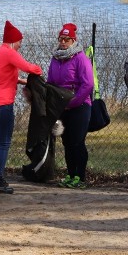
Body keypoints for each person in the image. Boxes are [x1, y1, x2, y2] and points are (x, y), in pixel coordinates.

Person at [0, 20, 42, 194]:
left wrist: (20, 81)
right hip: (3, 104)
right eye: (19, 42)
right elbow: (29, 67)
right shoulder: (8, 52)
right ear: (14, 41)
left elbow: (0, 76)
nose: (20, 45)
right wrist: (39, 70)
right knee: (3, 143)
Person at [47, 23, 94, 188]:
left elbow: (88, 84)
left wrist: (72, 102)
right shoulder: (56, 58)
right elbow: (51, 82)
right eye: (61, 38)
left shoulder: (80, 58)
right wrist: (53, 100)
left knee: (77, 141)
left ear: (74, 40)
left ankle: (80, 177)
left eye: (67, 39)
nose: (63, 42)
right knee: (66, 141)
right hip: (62, 106)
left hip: (80, 106)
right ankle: (70, 174)